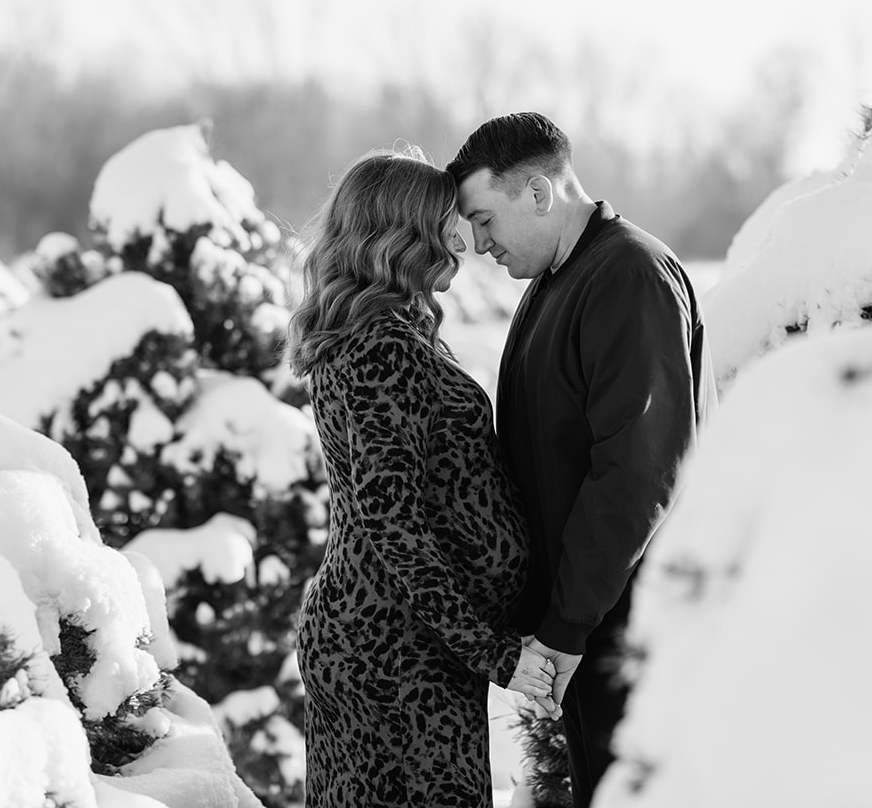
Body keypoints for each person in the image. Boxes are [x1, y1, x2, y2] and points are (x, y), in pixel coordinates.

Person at [447, 113, 715, 807]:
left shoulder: (628, 273)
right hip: (593, 625)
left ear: (537, 193)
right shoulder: (555, 280)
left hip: (632, 629)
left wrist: (566, 625)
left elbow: (640, 468)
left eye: (483, 218)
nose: (478, 244)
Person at [285, 146, 560, 808]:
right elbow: (391, 521)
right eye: (447, 222)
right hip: (394, 658)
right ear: (404, 233)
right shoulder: (381, 343)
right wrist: (493, 651)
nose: (460, 238)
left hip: (391, 642)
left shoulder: (376, 327)